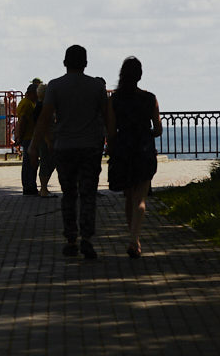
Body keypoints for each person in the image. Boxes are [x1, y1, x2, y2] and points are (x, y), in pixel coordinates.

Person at [31, 45, 108, 259]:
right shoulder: (96, 87)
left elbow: (45, 118)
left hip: (64, 148)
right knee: (88, 195)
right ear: (85, 63)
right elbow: (107, 116)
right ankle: (87, 239)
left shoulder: (55, 86)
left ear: (65, 63)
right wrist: (114, 142)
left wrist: (33, 146)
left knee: (69, 195)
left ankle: (71, 240)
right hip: (91, 149)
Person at [105, 57, 162, 258]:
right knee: (140, 198)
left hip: (123, 150)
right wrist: (147, 134)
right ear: (139, 76)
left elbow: (111, 132)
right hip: (144, 150)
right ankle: (134, 239)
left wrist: (111, 151)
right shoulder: (150, 98)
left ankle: (133, 237)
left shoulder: (114, 100)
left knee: (129, 197)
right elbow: (158, 129)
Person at [15, 81, 41, 195]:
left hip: (28, 137)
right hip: (29, 137)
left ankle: (29, 185)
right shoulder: (27, 104)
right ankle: (29, 186)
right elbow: (22, 122)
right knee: (30, 163)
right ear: (31, 93)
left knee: (29, 162)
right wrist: (19, 137)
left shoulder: (25, 103)